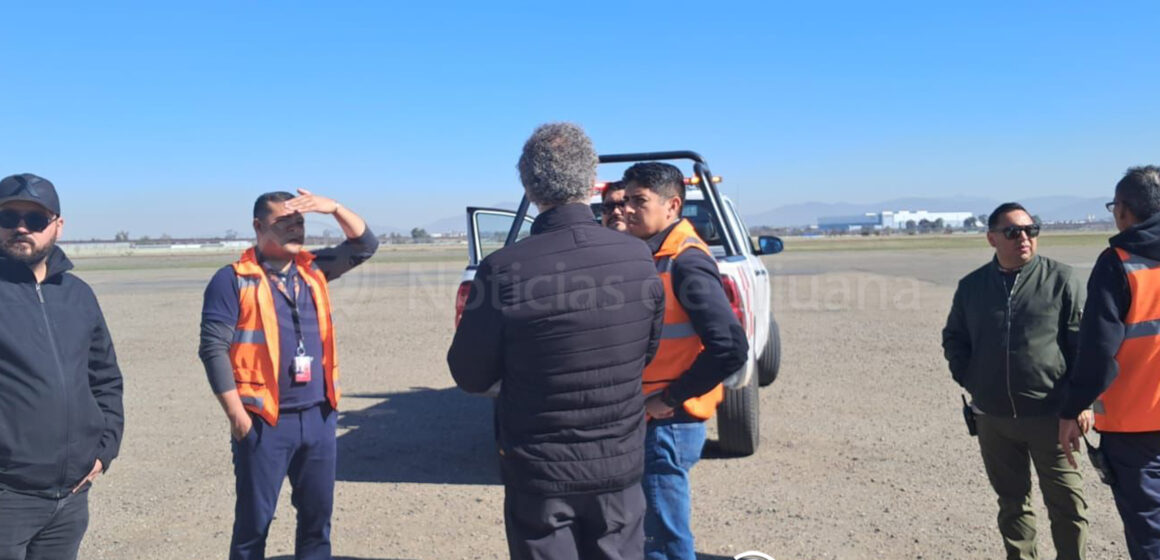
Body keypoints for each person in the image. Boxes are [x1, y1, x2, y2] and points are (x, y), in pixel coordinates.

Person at [448, 123, 665, 560]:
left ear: (528, 186)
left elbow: (471, 374)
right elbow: (646, 350)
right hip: (618, 466)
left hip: (541, 474)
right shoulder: (638, 257)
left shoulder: (503, 269)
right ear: (591, 183)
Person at [198, 189, 377, 560]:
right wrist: (237, 416)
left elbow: (365, 245)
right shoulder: (232, 280)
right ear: (258, 226)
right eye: (285, 222)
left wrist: (335, 208)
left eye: (301, 221)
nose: (297, 229)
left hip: (319, 417)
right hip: (264, 421)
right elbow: (213, 348)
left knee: (316, 524)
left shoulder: (314, 270)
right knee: (253, 527)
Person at [942, 202, 1089, 560]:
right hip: (994, 420)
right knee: (1012, 504)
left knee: (1068, 505)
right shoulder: (972, 287)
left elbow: (1083, 347)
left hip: (1051, 417)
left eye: (1030, 229)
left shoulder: (1062, 280)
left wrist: (1081, 404)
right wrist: (975, 381)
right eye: (1012, 232)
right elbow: (954, 339)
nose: (1023, 237)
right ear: (992, 238)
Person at [620, 161, 749, 560]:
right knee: (651, 531)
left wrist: (670, 398)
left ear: (672, 206)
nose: (625, 209)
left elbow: (730, 348)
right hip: (651, 416)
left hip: (667, 421)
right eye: (625, 200)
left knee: (664, 537)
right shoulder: (654, 255)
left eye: (638, 201)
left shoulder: (687, 262)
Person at [0, 173, 125, 560]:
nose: (21, 227)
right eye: (9, 218)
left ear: (57, 225)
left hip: (70, 498)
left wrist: (106, 448)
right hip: (8, 499)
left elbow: (105, 378)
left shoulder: (78, 295)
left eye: (35, 220)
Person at [1059, 166, 1160, 560]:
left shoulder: (1118, 262)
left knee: (1150, 533)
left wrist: (1071, 409)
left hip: (1136, 431)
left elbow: (1099, 353)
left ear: (1123, 211)